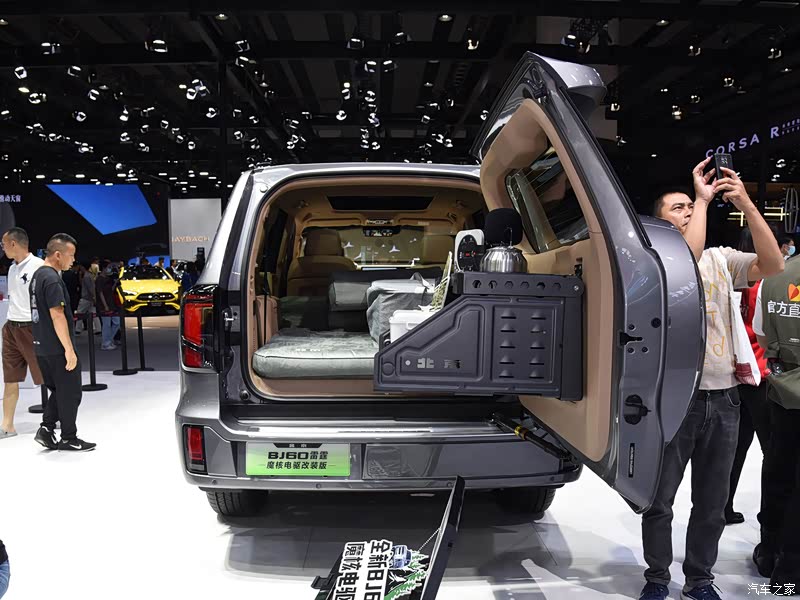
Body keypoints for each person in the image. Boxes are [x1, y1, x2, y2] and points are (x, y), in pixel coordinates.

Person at [639, 157, 784, 600]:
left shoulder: (721, 258)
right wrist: (703, 200)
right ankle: (657, 577)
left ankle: (699, 578)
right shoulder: (655, 261)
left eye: (691, 205)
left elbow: (774, 264)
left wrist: (746, 204)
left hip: (724, 398)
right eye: (678, 207)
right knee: (660, 500)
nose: (688, 210)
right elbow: (687, 259)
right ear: (659, 222)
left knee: (712, 504)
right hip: (674, 397)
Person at [751, 247, 800, 593]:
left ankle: (768, 551)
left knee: (778, 470)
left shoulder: (774, 276)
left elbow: (762, 336)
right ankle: (791, 568)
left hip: (782, 389)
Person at [30, 233, 95, 452]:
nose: (73, 260)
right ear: (58, 255)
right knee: (71, 392)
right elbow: (57, 315)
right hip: (57, 347)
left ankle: (46, 429)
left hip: (41, 345)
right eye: (71, 255)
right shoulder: (51, 279)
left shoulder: (37, 276)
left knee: (59, 391)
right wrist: (69, 349)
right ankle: (69, 438)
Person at [724, 227, 771, 525]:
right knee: (772, 450)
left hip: (733, 372)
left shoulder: (730, 279)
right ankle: (770, 517)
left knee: (735, 446)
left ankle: (724, 506)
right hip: (760, 373)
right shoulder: (767, 283)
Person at [0, 228, 44, 439]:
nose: (2, 248)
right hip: (11, 328)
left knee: (48, 376)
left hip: (31, 328)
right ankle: (7, 426)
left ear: (14, 243)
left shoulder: (39, 266)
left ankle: (59, 418)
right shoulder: (11, 268)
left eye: (3, 244)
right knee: (10, 378)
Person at [96, 261, 120, 351]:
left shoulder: (108, 279)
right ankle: (105, 343)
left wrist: (115, 282)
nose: (109, 269)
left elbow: (111, 290)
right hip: (104, 305)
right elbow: (100, 293)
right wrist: (105, 305)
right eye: (108, 267)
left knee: (116, 322)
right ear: (104, 268)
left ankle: (108, 340)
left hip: (111, 303)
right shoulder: (99, 279)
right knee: (106, 324)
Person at [74, 264, 96, 334]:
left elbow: (89, 288)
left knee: (80, 313)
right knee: (93, 312)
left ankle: (78, 329)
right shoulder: (90, 275)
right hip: (90, 297)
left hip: (85, 297)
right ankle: (97, 328)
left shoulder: (86, 276)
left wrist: (93, 296)